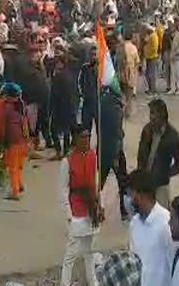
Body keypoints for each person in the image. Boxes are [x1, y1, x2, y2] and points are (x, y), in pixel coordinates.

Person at [60, 125, 103, 286]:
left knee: (89, 250)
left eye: (88, 136)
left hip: (92, 208)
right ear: (75, 139)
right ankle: (65, 283)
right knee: (71, 253)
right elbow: (64, 190)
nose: (86, 140)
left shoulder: (93, 155)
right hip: (76, 210)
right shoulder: (67, 161)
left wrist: (101, 204)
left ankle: (92, 281)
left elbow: (97, 183)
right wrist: (68, 215)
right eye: (82, 137)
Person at [137, 98, 179, 209]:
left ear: (162, 114)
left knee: (161, 218)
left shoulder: (172, 136)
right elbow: (141, 155)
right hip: (145, 183)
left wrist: (165, 174)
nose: (151, 117)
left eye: (154, 113)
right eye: (150, 113)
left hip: (161, 186)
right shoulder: (147, 130)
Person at [128, 170, 172, 286]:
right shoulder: (134, 223)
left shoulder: (166, 223)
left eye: (131, 194)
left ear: (142, 195)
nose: (129, 199)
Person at [99, 82, 128, 220]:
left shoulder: (102, 104)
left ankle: (96, 207)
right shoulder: (116, 109)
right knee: (122, 182)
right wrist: (116, 153)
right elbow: (117, 132)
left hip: (103, 147)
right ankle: (124, 210)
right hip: (114, 149)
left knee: (99, 181)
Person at [0, 83, 29, 200]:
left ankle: (15, 192)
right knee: (19, 165)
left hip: (12, 140)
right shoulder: (22, 105)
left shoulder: (5, 107)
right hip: (23, 140)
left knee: (12, 167)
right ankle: (20, 184)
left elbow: (1, 125)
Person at [52, 56, 78, 159]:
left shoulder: (59, 76)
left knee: (53, 129)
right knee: (66, 129)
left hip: (60, 106)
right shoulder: (71, 75)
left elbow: (54, 93)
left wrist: (52, 107)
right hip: (70, 106)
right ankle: (66, 151)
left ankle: (59, 151)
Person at [78, 46, 99, 133]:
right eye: (91, 54)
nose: (93, 57)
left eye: (95, 54)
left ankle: (99, 146)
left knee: (100, 130)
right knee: (86, 130)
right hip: (87, 103)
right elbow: (80, 82)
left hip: (99, 104)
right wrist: (83, 94)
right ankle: (86, 146)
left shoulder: (102, 69)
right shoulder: (85, 68)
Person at [120, 30, 140, 118]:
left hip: (121, 72)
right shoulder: (133, 48)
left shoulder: (120, 47)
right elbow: (137, 61)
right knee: (129, 95)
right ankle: (127, 112)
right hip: (131, 72)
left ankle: (121, 110)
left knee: (122, 93)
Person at [143, 24, 160, 94]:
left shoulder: (154, 36)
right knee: (148, 74)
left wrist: (149, 53)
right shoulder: (151, 36)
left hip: (152, 57)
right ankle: (150, 89)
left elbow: (154, 48)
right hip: (149, 57)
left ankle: (153, 89)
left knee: (151, 74)